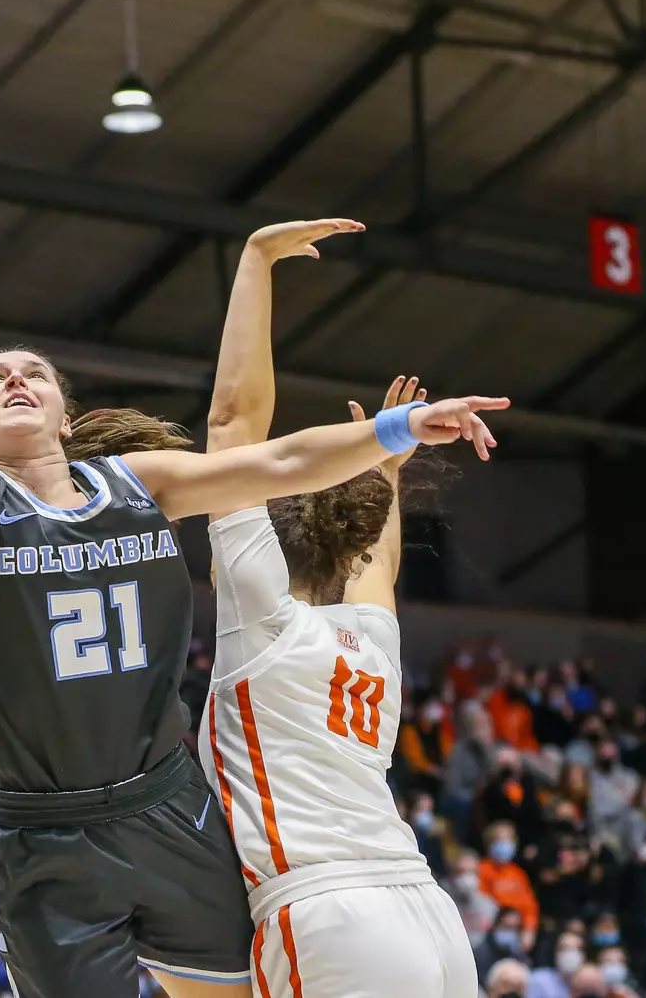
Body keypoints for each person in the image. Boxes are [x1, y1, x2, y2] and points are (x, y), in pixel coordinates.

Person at [0, 82, 501, 998]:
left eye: (35, 371)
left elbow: (273, 461)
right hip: (45, 826)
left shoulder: (139, 485)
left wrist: (395, 434)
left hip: (168, 807)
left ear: (67, 414)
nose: (17, 378)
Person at [197, 225, 499, 997]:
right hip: (429, 914)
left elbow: (235, 427)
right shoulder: (370, 639)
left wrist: (257, 260)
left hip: (329, 909)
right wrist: (386, 469)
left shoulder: (259, 624)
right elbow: (380, 564)